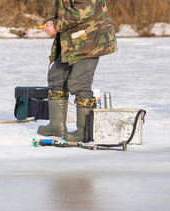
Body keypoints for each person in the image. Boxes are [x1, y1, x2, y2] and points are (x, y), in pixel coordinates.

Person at [37, 0, 118, 142]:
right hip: (70, 40)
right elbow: (67, 9)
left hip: (90, 39)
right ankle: (56, 126)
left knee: (79, 82)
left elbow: (84, 8)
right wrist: (52, 21)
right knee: (56, 78)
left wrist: (56, 25)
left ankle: (84, 131)